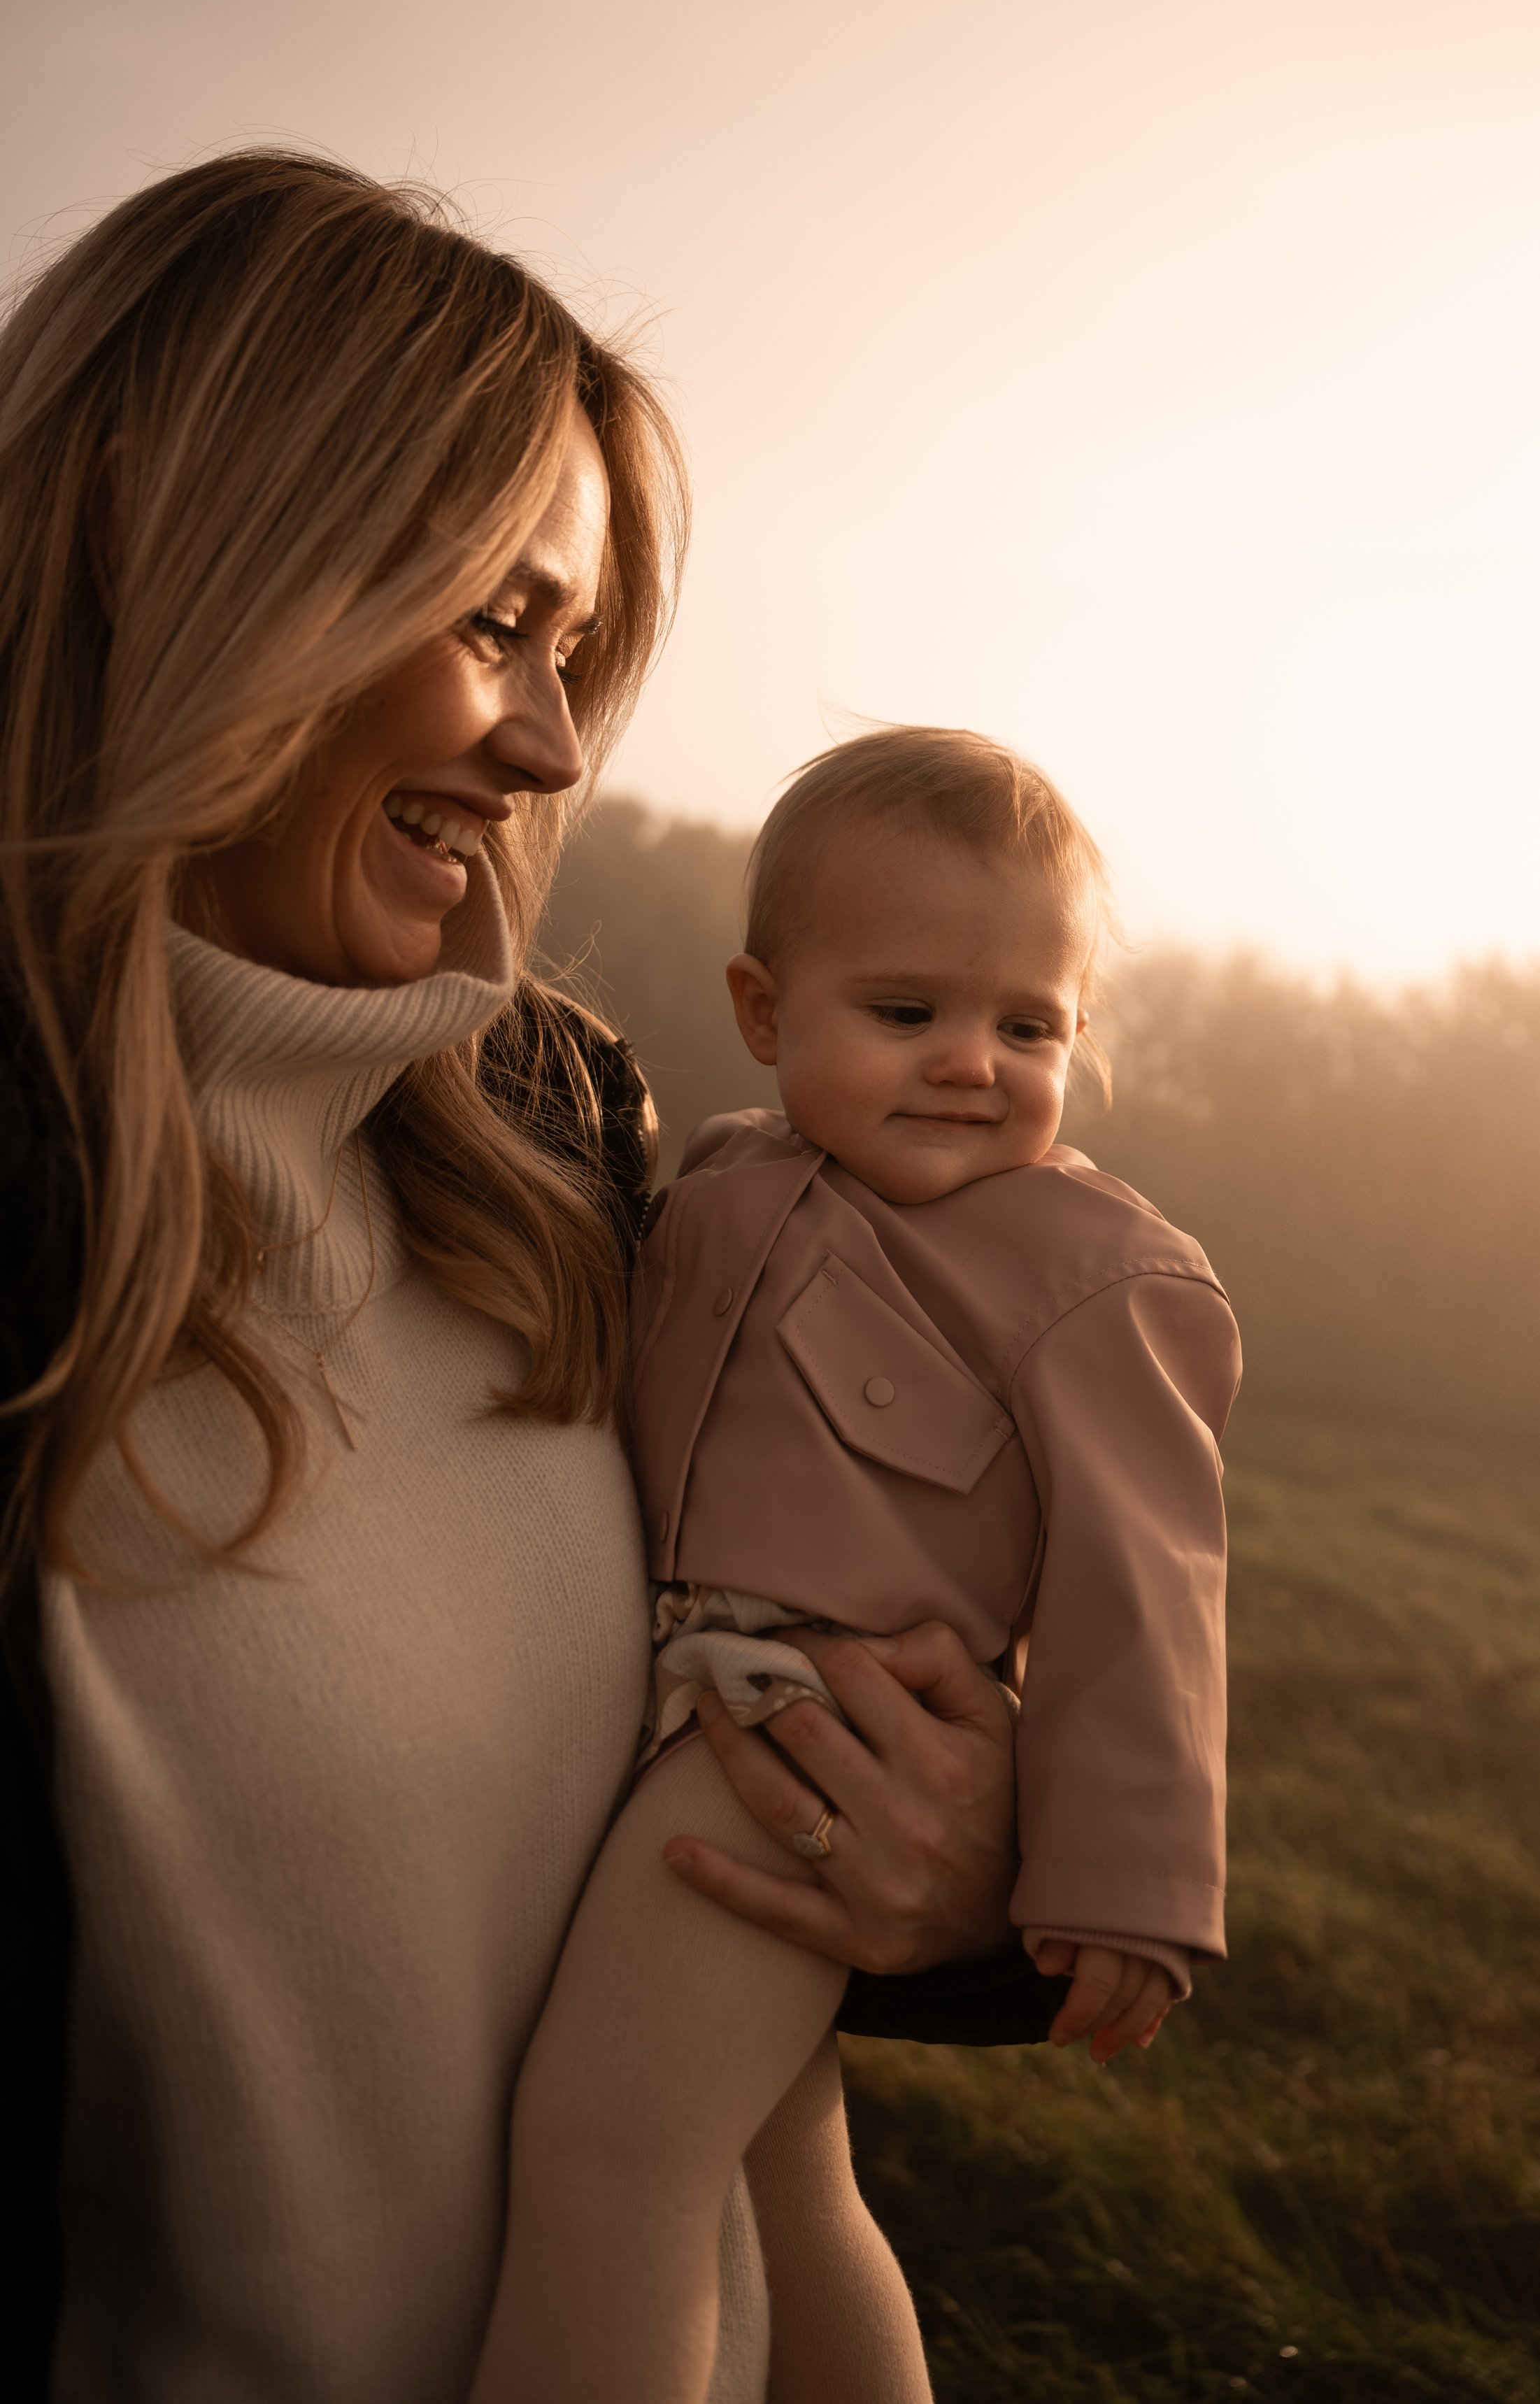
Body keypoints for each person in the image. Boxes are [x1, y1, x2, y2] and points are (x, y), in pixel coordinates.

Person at [0, 154, 1039, 2404]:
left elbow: (769, 1727)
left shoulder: (565, 1143)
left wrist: (966, 1874)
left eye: (574, 654)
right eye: (493, 622)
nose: (556, 745)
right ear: (149, 539)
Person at [471, 727, 1241, 2404]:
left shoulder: (1096, 1273)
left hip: (796, 1726)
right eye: (906, 1015)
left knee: (610, 2153)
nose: (971, 1062)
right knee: (777, 2175)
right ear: (764, 1015)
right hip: (663, 1700)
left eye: (1026, 1025)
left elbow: (1147, 1598)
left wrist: (1126, 1885)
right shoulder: (717, 1181)